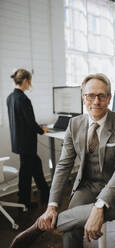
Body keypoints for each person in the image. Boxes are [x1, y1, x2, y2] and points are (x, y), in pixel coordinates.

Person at [10, 73, 115, 248]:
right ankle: (51, 218)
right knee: (71, 229)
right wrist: (51, 206)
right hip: (87, 186)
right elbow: (64, 165)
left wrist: (98, 207)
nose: (96, 101)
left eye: (101, 96)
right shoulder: (74, 124)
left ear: (109, 98)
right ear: (83, 98)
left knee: (73, 221)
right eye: (90, 96)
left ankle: (41, 226)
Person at [7, 69, 50, 209]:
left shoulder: (10, 97)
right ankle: (28, 200)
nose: (30, 84)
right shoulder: (23, 99)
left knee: (32, 167)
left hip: (18, 141)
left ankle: (42, 193)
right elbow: (30, 122)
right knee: (28, 170)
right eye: (29, 81)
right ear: (25, 81)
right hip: (26, 142)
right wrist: (41, 130)